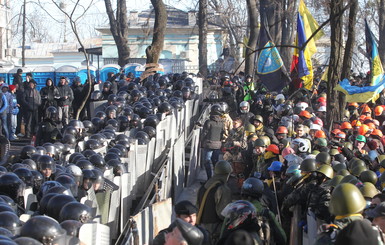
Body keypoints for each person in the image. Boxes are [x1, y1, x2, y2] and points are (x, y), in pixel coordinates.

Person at [197, 160, 232, 243]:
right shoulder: (223, 189)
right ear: (227, 174)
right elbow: (224, 214)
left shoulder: (204, 186)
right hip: (215, 228)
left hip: (201, 225)